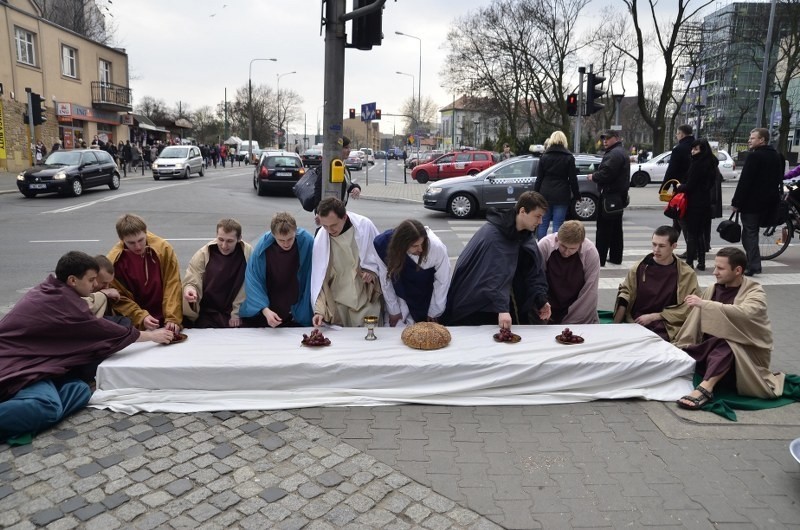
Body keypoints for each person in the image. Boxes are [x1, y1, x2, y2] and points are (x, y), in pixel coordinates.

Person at [0, 251, 173, 443]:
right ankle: (37, 411)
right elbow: (104, 331)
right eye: (91, 280)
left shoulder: (54, 290)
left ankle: (31, 414)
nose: (95, 285)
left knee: (81, 389)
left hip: (39, 365)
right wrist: (151, 336)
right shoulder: (64, 303)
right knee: (47, 406)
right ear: (73, 280)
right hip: (16, 365)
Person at [674, 247, 785, 409]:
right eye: (715, 267)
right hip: (708, 352)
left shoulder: (754, 292)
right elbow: (695, 322)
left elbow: (747, 312)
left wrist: (705, 304)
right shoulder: (713, 289)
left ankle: (705, 388)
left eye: (720, 268)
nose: (714, 272)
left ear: (738, 270)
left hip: (744, 358)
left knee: (728, 343)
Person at [444, 191, 551, 328]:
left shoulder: (526, 235)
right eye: (537, 216)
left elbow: (533, 270)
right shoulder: (494, 235)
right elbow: (493, 276)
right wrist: (502, 309)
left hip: (511, 299)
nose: (541, 222)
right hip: (481, 306)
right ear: (523, 211)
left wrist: (541, 299)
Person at [613, 225, 699, 341]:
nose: (656, 250)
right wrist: (615, 325)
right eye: (654, 244)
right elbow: (626, 293)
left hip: (667, 324)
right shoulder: (639, 267)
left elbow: (690, 306)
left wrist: (656, 316)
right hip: (637, 321)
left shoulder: (686, 274)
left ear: (674, 246)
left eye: (662, 246)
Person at [311, 198, 382, 327]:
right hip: (338, 304)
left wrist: (371, 272)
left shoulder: (365, 227)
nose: (330, 230)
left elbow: (381, 261)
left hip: (366, 301)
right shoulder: (321, 239)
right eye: (325, 226)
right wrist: (319, 311)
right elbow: (319, 279)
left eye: (333, 225)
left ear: (344, 217)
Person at [107, 214, 183, 332]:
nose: (137, 246)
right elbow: (118, 297)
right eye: (131, 243)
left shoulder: (163, 249)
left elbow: (172, 284)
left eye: (141, 240)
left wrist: (172, 318)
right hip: (135, 319)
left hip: (165, 312)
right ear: (122, 240)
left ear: (146, 232)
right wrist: (140, 317)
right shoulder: (114, 261)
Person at [240, 213, 314, 327]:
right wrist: (265, 310)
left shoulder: (307, 241)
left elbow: (316, 275)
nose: (286, 244)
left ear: (296, 231)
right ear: (273, 235)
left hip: (297, 300)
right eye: (281, 240)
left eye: (290, 239)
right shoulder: (263, 247)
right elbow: (254, 280)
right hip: (271, 300)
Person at [373, 219, 451, 326]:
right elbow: (385, 279)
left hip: (426, 299)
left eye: (422, 244)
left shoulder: (436, 248)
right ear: (402, 244)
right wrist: (394, 311)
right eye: (415, 246)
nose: (421, 249)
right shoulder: (383, 244)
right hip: (400, 297)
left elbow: (442, 281)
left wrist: (434, 311)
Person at [731, 128, 785, 276]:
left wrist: (736, 202)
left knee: (749, 234)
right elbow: (779, 178)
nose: (749, 140)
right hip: (769, 202)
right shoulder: (777, 156)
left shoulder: (754, 157)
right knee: (751, 233)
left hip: (751, 203)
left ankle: (754, 265)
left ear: (762, 140)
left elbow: (745, 182)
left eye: (753, 138)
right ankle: (752, 262)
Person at [182, 219, 253, 328]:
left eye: (230, 241)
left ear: (239, 239)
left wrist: (237, 312)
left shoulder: (248, 254)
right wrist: (190, 289)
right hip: (208, 312)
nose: (224, 245)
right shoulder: (204, 254)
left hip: (235, 311)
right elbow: (193, 275)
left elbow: (253, 283)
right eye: (220, 239)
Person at [537, 220, 600, 324]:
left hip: (577, 306)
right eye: (563, 246)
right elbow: (536, 279)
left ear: (581, 243)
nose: (566, 252)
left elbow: (589, 292)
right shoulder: (544, 246)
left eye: (572, 248)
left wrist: (573, 320)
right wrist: (542, 303)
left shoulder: (590, 252)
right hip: (548, 305)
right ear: (557, 239)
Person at [587, 129, 630, 266]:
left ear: (616, 138)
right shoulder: (619, 152)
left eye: (608, 138)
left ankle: (599, 259)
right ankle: (616, 257)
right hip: (618, 196)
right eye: (603, 138)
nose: (605, 141)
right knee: (616, 229)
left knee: (604, 230)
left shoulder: (614, 154)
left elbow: (607, 173)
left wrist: (593, 176)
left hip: (610, 195)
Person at [676, 139, 717, 271]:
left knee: (692, 234)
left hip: (694, 203)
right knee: (700, 233)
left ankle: (689, 262)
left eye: (696, 149)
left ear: (702, 150)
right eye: (692, 149)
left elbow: (690, 186)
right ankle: (702, 262)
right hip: (705, 202)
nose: (693, 151)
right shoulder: (712, 163)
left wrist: (679, 186)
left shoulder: (697, 164)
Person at [534, 131, 579, 240]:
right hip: (561, 194)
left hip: (545, 193)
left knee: (542, 223)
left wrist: (535, 194)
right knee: (558, 225)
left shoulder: (544, 157)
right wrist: (577, 195)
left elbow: (539, 178)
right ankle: (555, 249)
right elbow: (573, 179)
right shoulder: (568, 157)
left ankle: (541, 248)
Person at [664, 125, 695, 250]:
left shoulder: (679, 149)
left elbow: (672, 170)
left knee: (681, 218)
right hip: (695, 189)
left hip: (680, 188)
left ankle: (692, 250)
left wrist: (664, 187)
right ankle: (670, 245)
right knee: (678, 219)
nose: (677, 136)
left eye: (677, 134)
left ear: (681, 134)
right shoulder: (698, 146)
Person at [312, 135, 361, 214]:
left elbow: (346, 185)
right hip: (327, 212)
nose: (349, 150)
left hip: (339, 210)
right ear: (338, 149)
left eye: (349, 148)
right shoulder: (327, 166)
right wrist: (318, 212)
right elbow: (318, 189)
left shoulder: (344, 167)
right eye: (345, 148)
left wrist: (356, 187)